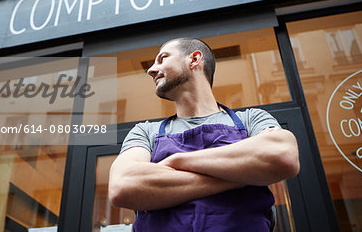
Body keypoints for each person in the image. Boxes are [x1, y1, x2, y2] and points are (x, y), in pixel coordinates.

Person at [108, 37, 300, 231]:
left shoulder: (251, 119)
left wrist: (176, 161)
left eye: (163, 58)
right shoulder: (145, 131)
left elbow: (282, 155)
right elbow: (123, 185)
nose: (151, 69)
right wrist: (241, 176)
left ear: (194, 59)